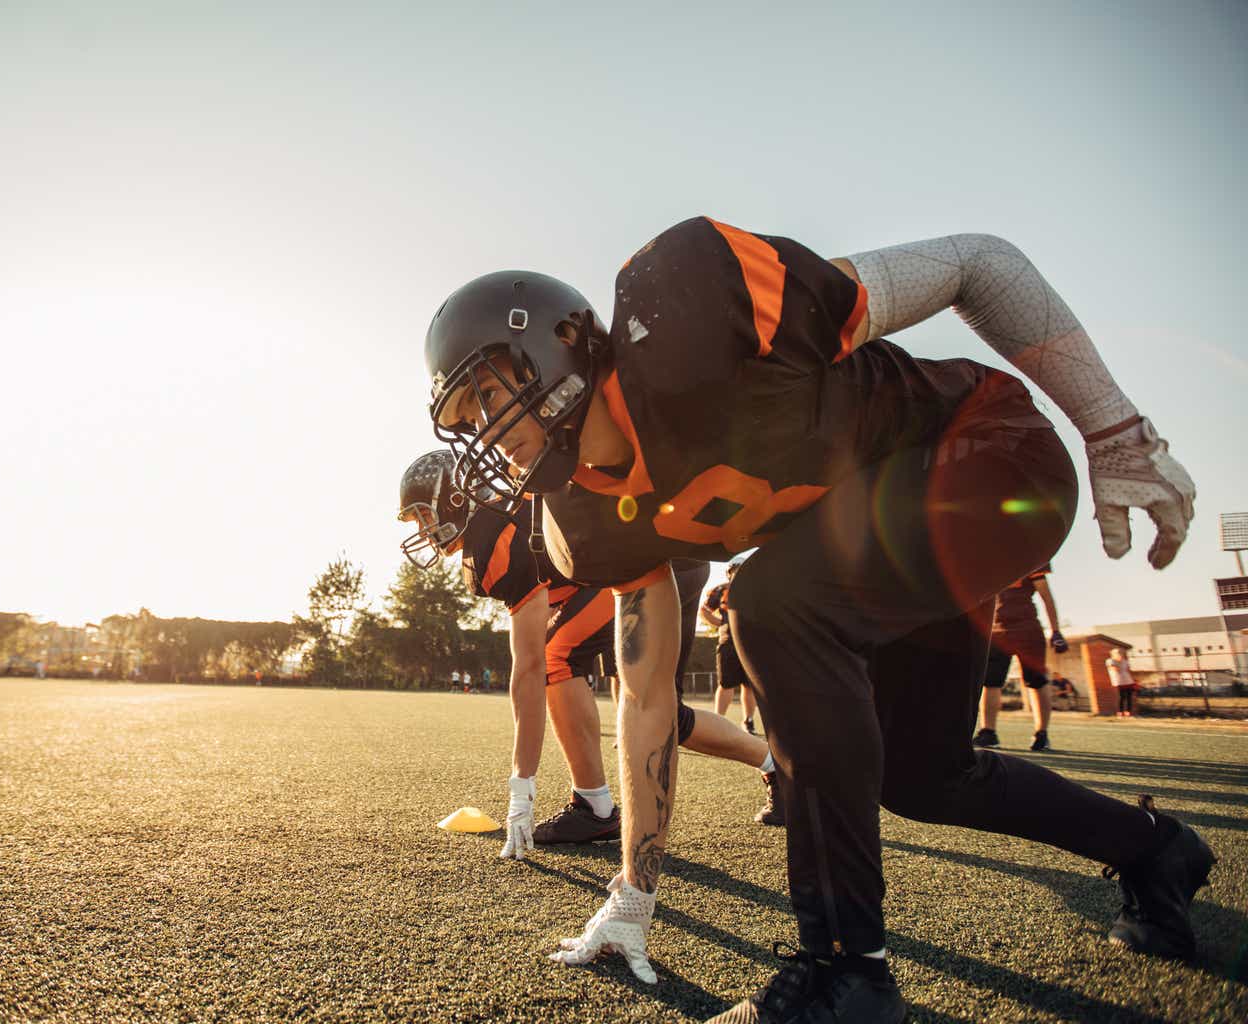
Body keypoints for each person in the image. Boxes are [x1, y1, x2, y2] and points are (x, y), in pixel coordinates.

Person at [423, 219, 1212, 1018]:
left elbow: (978, 262)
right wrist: (635, 890)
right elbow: (646, 699)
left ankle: (846, 976)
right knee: (923, 775)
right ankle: (1155, 852)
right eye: (464, 417)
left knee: (771, 604)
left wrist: (1114, 431)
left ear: (559, 340)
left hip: (994, 452)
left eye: (487, 393)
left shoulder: (687, 303)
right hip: (897, 541)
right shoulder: (584, 519)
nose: (485, 432)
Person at [399, 451, 780, 861]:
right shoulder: (500, 520)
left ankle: (595, 806)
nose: (424, 529)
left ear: (457, 499)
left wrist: (521, 787)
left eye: (425, 515)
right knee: (663, 715)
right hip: (643, 561)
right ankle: (778, 765)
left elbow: (529, 668)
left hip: (652, 561)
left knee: (557, 655)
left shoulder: (498, 537)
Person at [974, 563, 1068, 751]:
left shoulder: (1031, 555)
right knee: (990, 682)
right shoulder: (987, 561)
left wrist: (1056, 630)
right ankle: (988, 732)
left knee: (1036, 681)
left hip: (1027, 629)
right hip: (997, 632)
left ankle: (1041, 733)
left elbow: (1046, 596)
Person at [700, 558, 759, 734]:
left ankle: (748, 721)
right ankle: (718, 721)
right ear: (729, 571)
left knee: (749, 685)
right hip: (729, 642)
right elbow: (704, 610)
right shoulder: (721, 589)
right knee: (726, 683)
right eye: (736, 569)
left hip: (751, 643)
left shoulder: (756, 590)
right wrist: (720, 623)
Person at [1108, 647, 1139, 717]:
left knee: (1129, 697)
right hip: (1118, 681)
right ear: (1113, 654)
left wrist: (1134, 679)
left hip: (1128, 680)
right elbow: (1115, 669)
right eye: (1117, 653)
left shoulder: (1125, 661)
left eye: (1120, 653)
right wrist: (1119, 661)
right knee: (1121, 697)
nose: (1120, 654)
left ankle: (1128, 712)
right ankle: (1120, 712)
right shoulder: (1110, 661)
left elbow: (1128, 670)